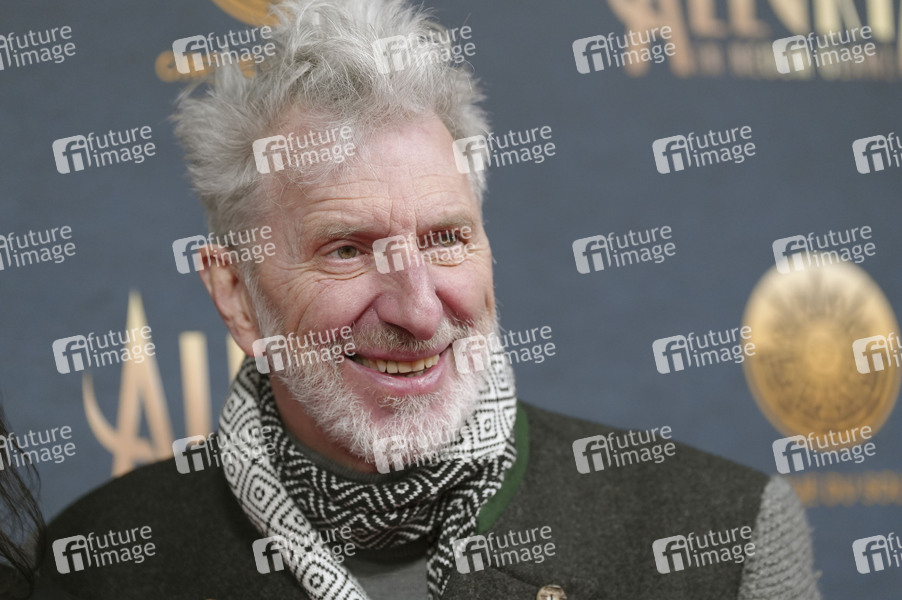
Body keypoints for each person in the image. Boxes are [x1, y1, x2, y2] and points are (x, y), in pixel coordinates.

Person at [42, 1, 820, 598]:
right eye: (346, 249)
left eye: (446, 238)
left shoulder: (724, 538)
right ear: (236, 294)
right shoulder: (93, 569)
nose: (417, 312)